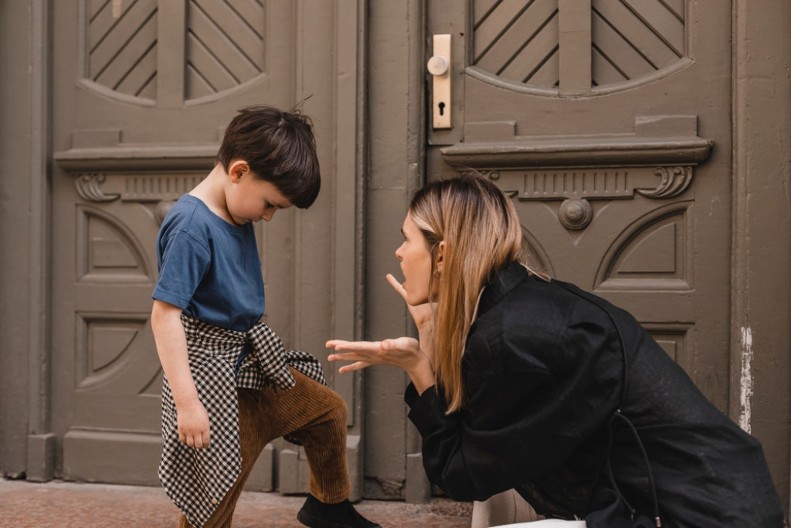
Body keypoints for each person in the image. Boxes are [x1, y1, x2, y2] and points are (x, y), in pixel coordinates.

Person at [326, 174, 785, 527]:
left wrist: (419, 368)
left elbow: (459, 474)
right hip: (718, 505)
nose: (398, 252)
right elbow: (476, 443)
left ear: (442, 255)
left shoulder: (512, 335)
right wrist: (427, 324)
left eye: (407, 239)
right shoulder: (520, 307)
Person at [150, 105, 380, 528]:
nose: (269, 216)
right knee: (211, 507)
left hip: (253, 371)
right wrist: (188, 404)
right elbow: (164, 317)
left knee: (326, 412)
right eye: (270, 204)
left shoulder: (232, 208)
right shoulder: (190, 227)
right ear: (239, 172)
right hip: (214, 390)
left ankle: (328, 508)